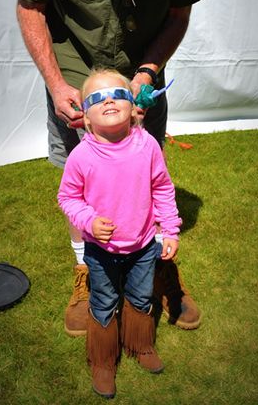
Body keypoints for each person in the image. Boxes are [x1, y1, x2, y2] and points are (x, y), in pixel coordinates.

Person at [7, 0, 210, 337]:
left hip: (143, 71)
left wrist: (147, 70)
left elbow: (178, 16)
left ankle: (159, 262)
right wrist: (56, 83)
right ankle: (87, 271)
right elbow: (29, 4)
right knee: (84, 180)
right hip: (74, 66)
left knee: (145, 171)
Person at [58, 68, 182, 398]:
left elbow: (163, 189)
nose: (109, 99)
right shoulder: (81, 156)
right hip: (101, 251)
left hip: (143, 247)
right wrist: (88, 220)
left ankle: (139, 344)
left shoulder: (149, 146)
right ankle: (103, 360)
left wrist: (169, 229)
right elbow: (68, 198)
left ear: (134, 105)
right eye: (97, 97)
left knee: (140, 298)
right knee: (104, 301)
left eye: (118, 94)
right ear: (85, 115)